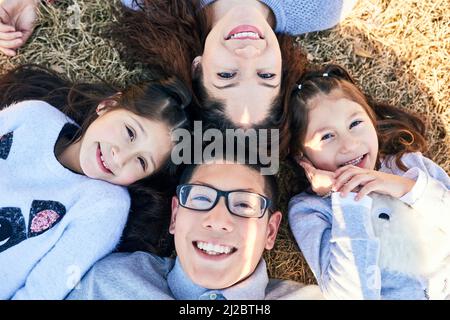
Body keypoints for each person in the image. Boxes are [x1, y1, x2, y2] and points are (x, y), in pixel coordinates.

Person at [0, 64, 190, 299]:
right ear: (108, 104)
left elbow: (44, 290)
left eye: (141, 162)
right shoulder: (33, 115)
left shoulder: (104, 207)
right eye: (130, 132)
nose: (120, 157)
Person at [285, 64, 450, 299]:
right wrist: (346, 196)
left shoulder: (408, 166)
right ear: (302, 156)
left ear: (371, 120)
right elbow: (352, 293)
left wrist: (402, 187)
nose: (349, 144)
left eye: (355, 124)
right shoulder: (312, 210)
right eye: (327, 136)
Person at [67, 160, 323, 300]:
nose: (218, 219)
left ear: (270, 232)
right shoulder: (106, 281)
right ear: (176, 216)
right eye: (200, 198)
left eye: (244, 204)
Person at [116, 0, 357, 128]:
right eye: (265, 75)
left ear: (198, 67)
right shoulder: (323, 8)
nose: (249, 54)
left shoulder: (150, 4)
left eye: (227, 75)